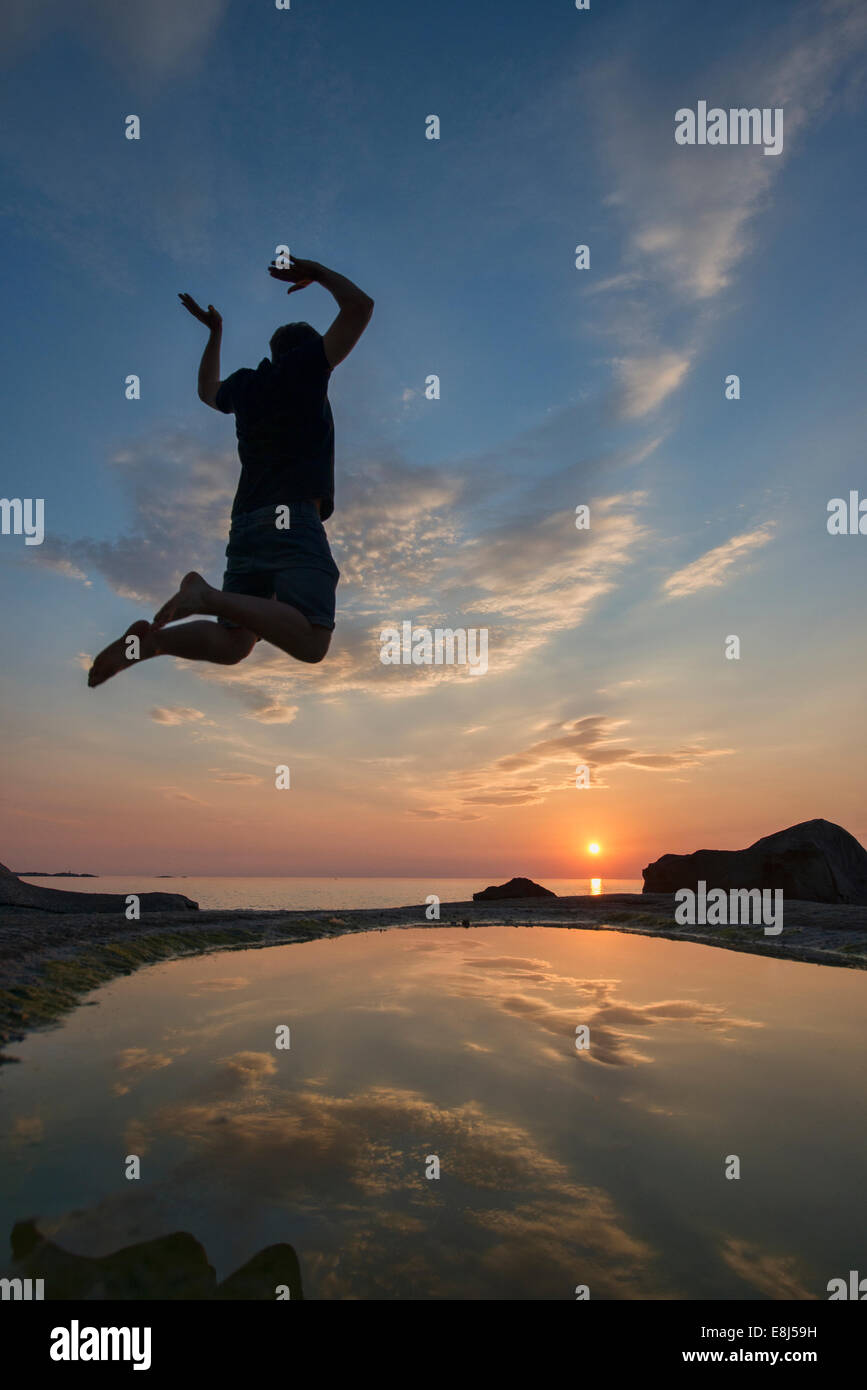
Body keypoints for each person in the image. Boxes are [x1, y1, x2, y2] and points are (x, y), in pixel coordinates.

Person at [87, 257, 373, 688]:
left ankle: (150, 644)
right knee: (313, 640)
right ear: (311, 350)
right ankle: (204, 596)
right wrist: (317, 271)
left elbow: (206, 392)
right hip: (290, 519)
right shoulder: (306, 369)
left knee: (234, 642)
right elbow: (359, 307)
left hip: (246, 524)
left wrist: (215, 333)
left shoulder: (246, 385)